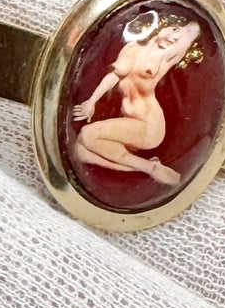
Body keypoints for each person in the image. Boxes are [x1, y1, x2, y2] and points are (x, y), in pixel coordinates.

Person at [68, 11, 201, 186]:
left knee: (87, 135)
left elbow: (193, 31)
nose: (174, 38)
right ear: (162, 26)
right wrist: (91, 102)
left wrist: (189, 30)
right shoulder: (131, 47)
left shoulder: (166, 58)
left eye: (181, 38)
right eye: (174, 29)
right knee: (78, 151)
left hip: (148, 126)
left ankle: (148, 168)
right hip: (129, 120)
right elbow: (114, 76)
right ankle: (147, 168)